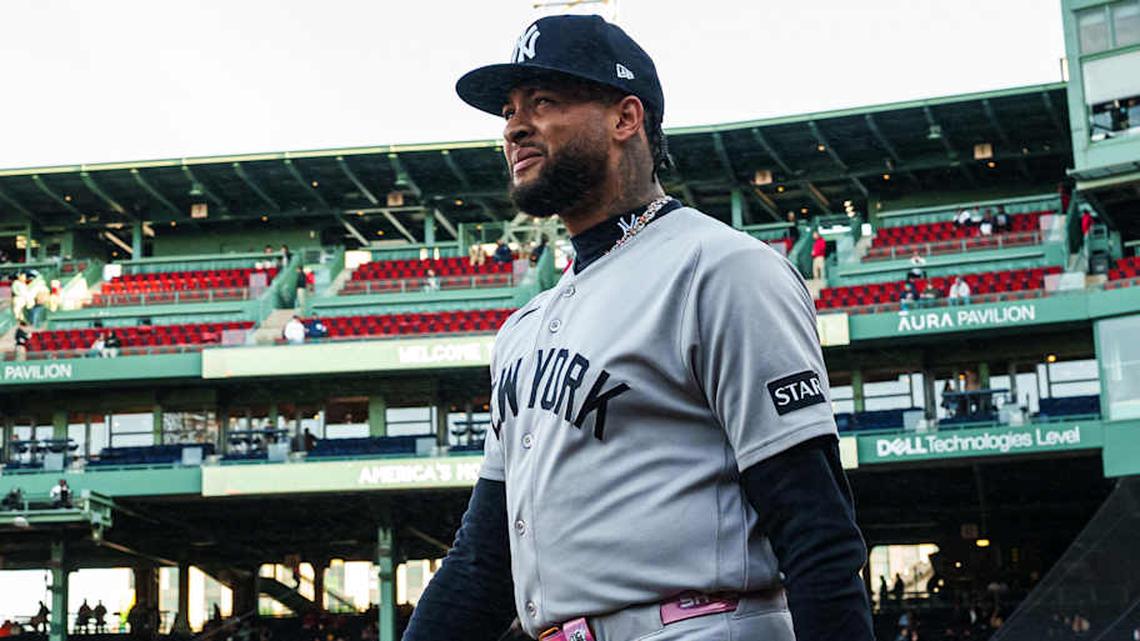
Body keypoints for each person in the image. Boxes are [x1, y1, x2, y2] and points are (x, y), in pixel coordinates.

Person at [405, 15, 873, 641]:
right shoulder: (523, 328)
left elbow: (814, 527)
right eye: (510, 109)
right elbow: (481, 564)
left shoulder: (722, 269)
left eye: (543, 101)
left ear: (626, 119)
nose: (515, 125)